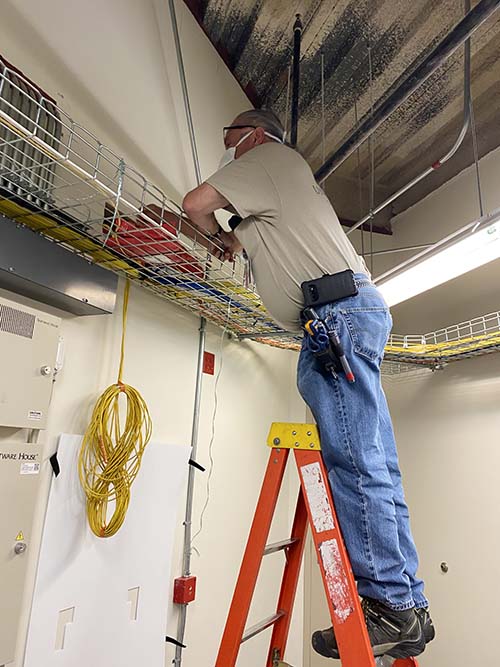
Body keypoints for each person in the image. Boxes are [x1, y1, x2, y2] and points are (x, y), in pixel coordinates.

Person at [182, 109, 434, 660]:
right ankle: (408, 603)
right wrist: (229, 242)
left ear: (253, 135)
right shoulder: (273, 196)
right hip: (348, 313)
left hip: (335, 317)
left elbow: (195, 205)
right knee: (377, 463)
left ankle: (388, 606)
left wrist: (211, 233)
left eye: (229, 142)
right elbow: (241, 240)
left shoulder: (269, 159)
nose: (227, 154)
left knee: (355, 463)